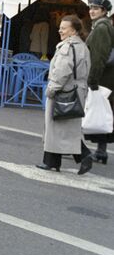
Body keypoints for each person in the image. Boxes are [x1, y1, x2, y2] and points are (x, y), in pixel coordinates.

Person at [35, 15, 92, 174]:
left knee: (60, 128)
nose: (60, 30)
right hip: (76, 90)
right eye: (60, 27)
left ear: (73, 30)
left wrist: (51, 89)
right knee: (63, 128)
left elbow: (61, 72)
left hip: (63, 91)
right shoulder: (81, 46)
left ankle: (83, 156)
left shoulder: (67, 47)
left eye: (64, 27)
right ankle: (52, 161)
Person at [84, 0, 114, 163]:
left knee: (98, 113)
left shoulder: (102, 27)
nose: (91, 11)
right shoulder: (103, 25)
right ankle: (101, 151)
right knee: (101, 113)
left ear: (104, 11)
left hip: (102, 78)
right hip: (105, 78)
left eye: (96, 8)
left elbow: (99, 57)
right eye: (90, 7)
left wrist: (92, 80)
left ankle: (76, 148)